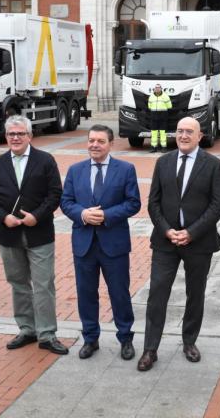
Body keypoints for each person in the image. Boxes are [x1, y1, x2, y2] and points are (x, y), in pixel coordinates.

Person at [137, 116, 220, 372]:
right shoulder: (163, 162)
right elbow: (153, 202)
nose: (184, 136)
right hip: (166, 242)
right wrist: (167, 231)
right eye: (179, 131)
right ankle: (150, 348)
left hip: (199, 242)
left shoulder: (213, 165)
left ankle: (189, 342)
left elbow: (217, 205)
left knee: (194, 294)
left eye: (189, 132)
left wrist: (191, 232)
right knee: (157, 295)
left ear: (200, 136)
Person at [0, 116, 68, 355]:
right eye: (11, 134)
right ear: (6, 136)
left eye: (20, 134)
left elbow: (55, 194)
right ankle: (27, 329)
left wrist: (36, 216)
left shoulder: (45, 161)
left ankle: (47, 334)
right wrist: (3, 217)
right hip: (8, 235)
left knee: (43, 285)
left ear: (30, 136)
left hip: (39, 233)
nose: (15, 138)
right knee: (18, 284)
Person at [60, 124, 142, 361]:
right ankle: (90, 338)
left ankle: (125, 338)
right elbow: (66, 201)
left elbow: (133, 203)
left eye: (100, 141)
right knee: (86, 293)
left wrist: (107, 215)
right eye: (91, 140)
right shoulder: (75, 170)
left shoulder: (126, 169)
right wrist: (82, 214)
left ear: (110, 144)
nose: (94, 145)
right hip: (84, 244)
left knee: (119, 293)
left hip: (113, 243)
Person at [148, 84, 171, 153]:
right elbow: (149, 106)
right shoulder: (151, 96)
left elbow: (169, 106)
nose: (157, 89)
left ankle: (163, 147)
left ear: (161, 89)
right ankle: (153, 147)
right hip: (154, 116)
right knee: (154, 132)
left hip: (163, 116)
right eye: (156, 88)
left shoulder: (165, 96)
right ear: (154, 89)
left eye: (159, 88)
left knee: (162, 132)